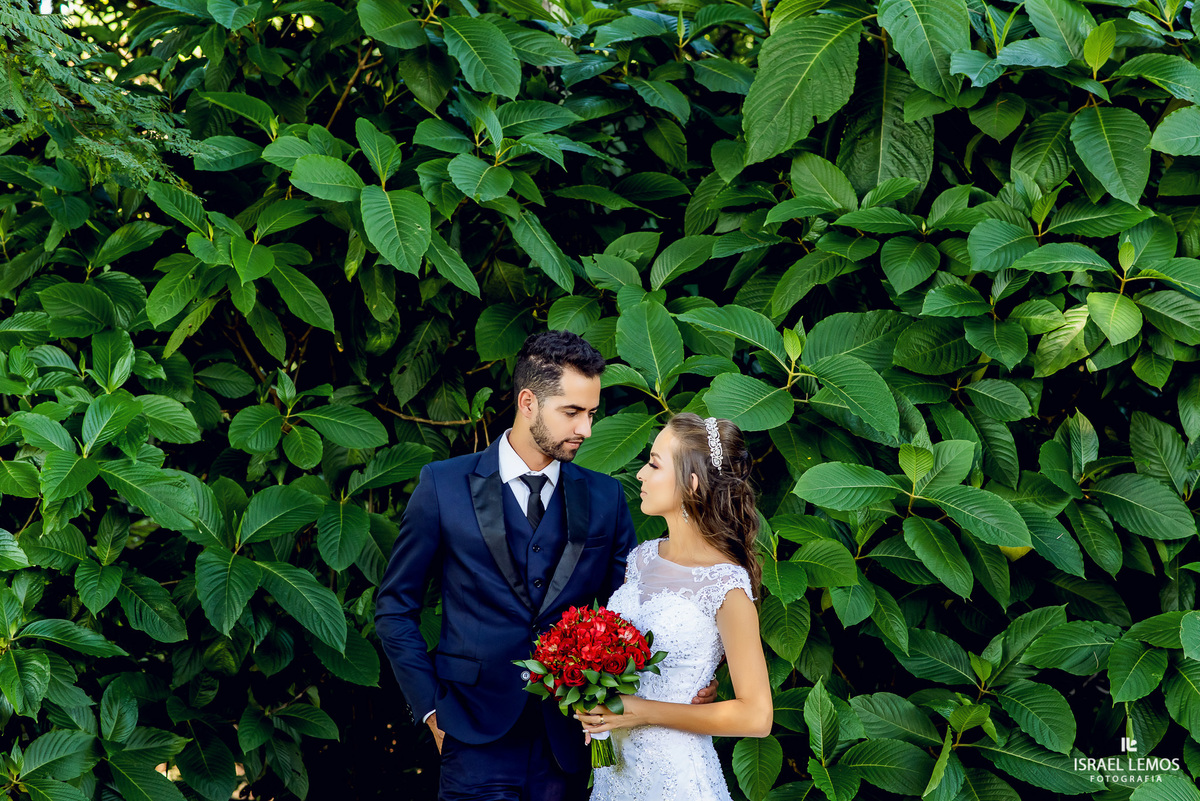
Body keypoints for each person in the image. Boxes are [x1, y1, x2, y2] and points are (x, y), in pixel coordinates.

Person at [374, 331, 715, 801]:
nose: (586, 430)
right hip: (471, 732)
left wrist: (684, 681)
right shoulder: (443, 485)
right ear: (528, 401)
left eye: (592, 414)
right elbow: (394, 606)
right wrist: (432, 710)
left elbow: (635, 615)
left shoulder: (605, 497)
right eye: (572, 413)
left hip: (571, 739)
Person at [575, 413, 773, 801]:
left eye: (653, 463)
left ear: (692, 484)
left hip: (676, 779)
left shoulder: (726, 585)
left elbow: (757, 716)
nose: (640, 475)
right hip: (617, 774)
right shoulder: (642, 559)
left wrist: (645, 711)